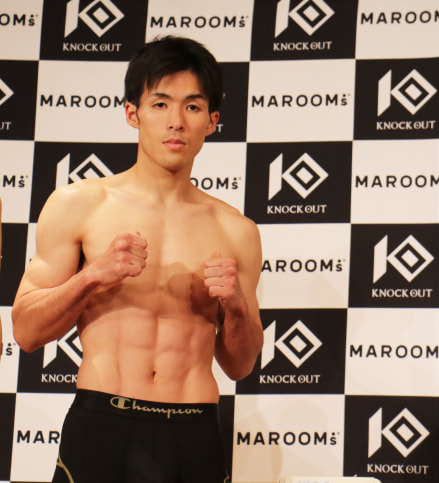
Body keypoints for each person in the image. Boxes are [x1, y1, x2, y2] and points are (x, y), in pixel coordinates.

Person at [12, 36, 263, 483]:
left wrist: (238, 308)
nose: (176, 121)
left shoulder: (236, 230)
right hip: (102, 424)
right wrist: (91, 277)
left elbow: (239, 365)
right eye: (160, 104)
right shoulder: (79, 204)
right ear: (133, 113)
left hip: (194, 429)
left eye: (192, 106)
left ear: (212, 121)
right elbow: (26, 332)